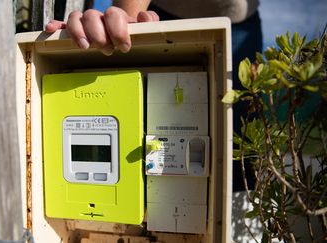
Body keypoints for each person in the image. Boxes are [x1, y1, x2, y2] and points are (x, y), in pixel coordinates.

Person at [46, 0, 262, 191]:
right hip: (161, 11)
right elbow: (121, 34)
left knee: (240, 153)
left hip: (240, 25)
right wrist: (120, 27)